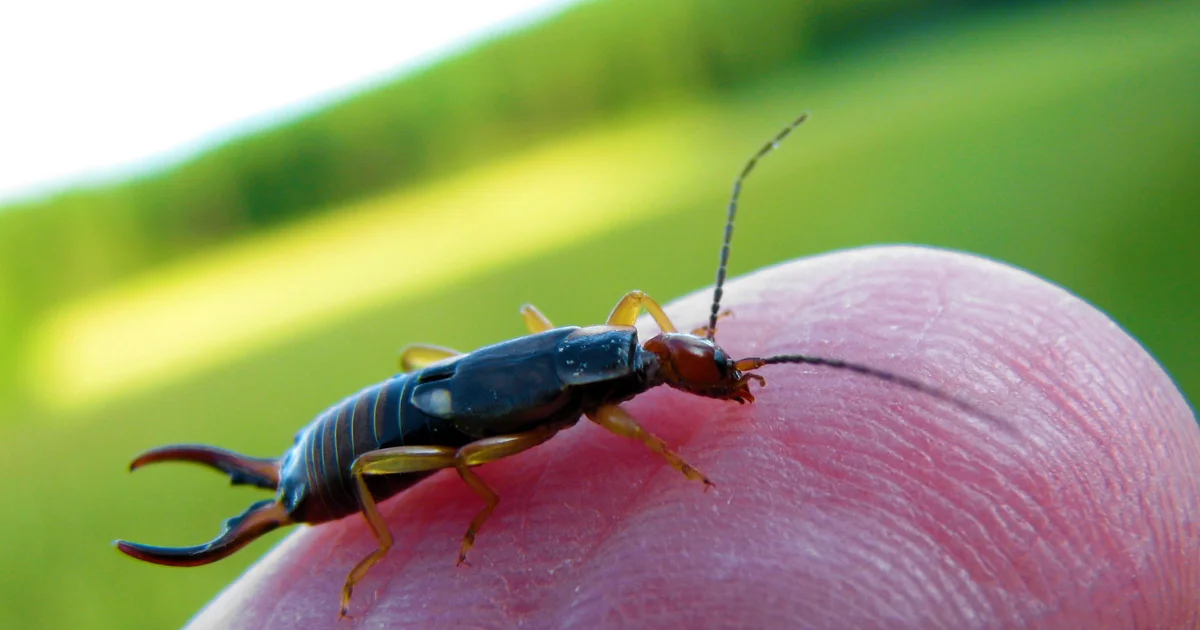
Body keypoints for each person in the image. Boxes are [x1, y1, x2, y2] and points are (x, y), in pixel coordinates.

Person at [188, 247, 1200, 628]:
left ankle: (277, 485)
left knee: (428, 418)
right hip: (366, 445)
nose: (705, 372)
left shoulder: (613, 352)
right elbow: (473, 464)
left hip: (430, 399)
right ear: (651, 358)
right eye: (691, 362)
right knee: (409, 458)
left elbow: (630, 330)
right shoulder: (606, 376)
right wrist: (669, 447)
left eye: (694, 365)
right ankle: (297, 499)